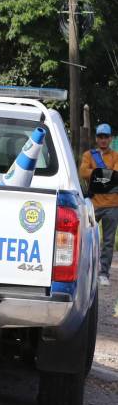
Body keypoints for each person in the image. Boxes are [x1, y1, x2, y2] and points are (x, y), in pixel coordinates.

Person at [79, 123, 118, 287]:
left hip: (112, 204)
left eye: (106, 137)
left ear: (111, 138)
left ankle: (104, 273)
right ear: (96, 138)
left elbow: (116, 175)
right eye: (100, 137)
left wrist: (95, 175)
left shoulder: (116, 156)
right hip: (93, 204)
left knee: (108, 242)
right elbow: (83, 172)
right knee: (85, 238)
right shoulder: (88, 155)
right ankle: (84, 271)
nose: (103, 140)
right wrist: (106, 176)